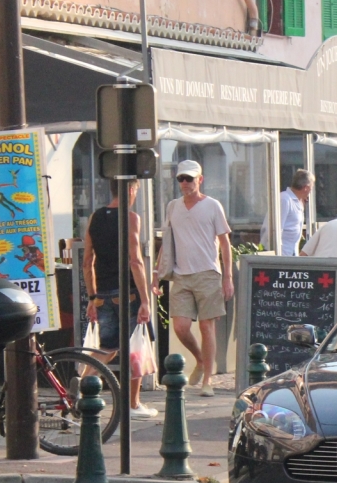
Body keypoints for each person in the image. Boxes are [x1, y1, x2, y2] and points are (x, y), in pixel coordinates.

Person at [158, 160, 234, 397]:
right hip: (181, 274)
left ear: (200, 180)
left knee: (206, 326)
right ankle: (200, 360)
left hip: (208, 273)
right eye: (181, 178)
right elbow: (167, 242)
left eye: (189, 178)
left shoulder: (212, 206)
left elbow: (224, 242)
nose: (184, 183)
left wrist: (227, 277)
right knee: (180, 327)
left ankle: (208, 380)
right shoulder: (173, 207)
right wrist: (156, 274)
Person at [84, 180, 156, 418]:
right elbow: (135, 260)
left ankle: (83, 388)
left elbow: (87, 262)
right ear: (131, 190)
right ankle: (132, 404)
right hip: (127, 293)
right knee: (134, 347)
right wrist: (145, 300)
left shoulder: (94, 218)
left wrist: (92, 297)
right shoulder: (131, 218)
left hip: (102, 295)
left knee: (107, 347)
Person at [263, 169, 312, 256]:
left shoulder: (297, 201)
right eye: (311, 188)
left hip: (291, 252)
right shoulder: (284, 199)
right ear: (306, 188)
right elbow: (274, 229)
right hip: (282, 254)